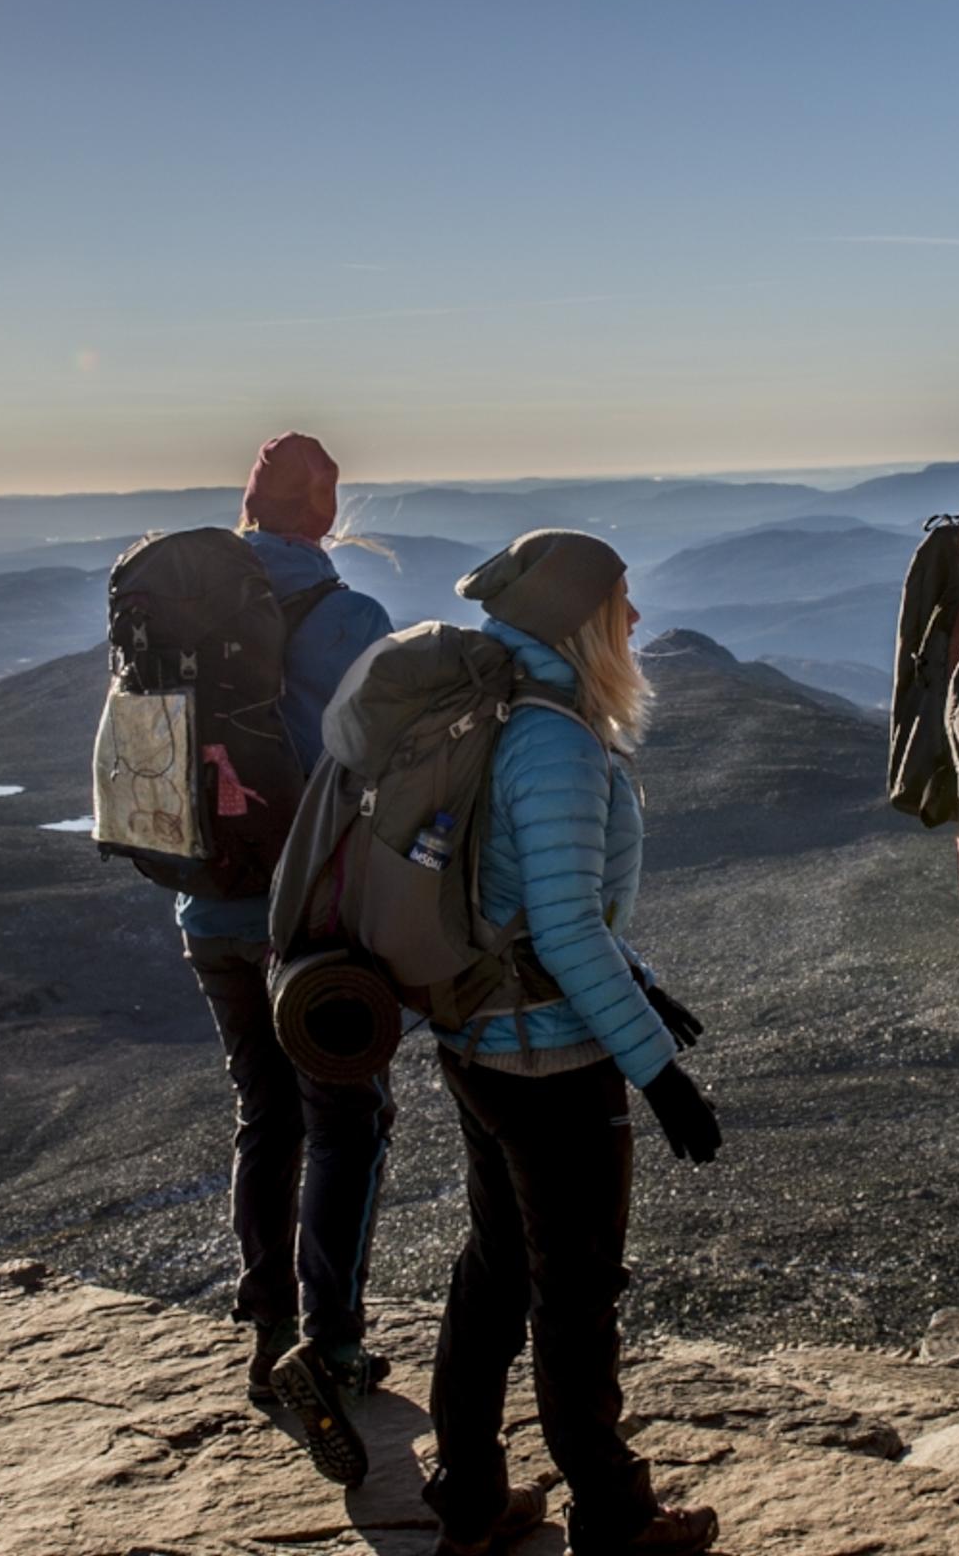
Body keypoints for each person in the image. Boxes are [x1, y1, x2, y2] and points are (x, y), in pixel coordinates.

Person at [420, 529, 723, 1556]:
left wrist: (640, 984)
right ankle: (616, 1516)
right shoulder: (553, 740)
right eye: (622, 601)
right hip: (547, 1059)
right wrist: (659, 1074)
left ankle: (466, 1502)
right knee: (576, 1293)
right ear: (582, 620)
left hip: (477, 1039)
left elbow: (523, 905)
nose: (636, 619)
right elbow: (563, 927)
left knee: (497, 1267)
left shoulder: (497, 705)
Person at [178, 433, 397, 1478]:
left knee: (263, 1112)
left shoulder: (179, 613)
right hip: (315, 916)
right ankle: (335, 1341)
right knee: (347, 1119)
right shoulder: (350, 618)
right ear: (326, 510)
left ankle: (268, 1330)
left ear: (246, 507)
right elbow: (389, 761)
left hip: (208, 907)